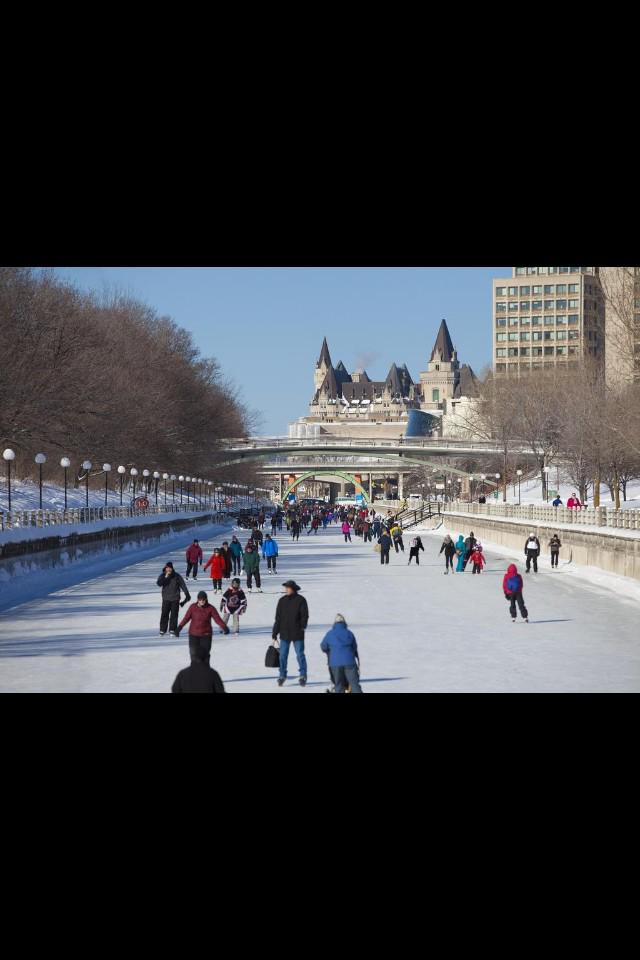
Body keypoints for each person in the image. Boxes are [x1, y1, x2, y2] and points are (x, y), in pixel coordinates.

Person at [273, 581, 309, 687]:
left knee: (300, 655)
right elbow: (278, 618)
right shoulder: (282, 601)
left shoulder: (301, 600)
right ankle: (282, 675)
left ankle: (303, 675)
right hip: (284, 633)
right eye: (286, 588)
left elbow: (305, 615)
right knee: (282, 656)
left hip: (297, 633)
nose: (286, 589)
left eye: (288, 588)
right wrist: (275, 632)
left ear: (294, 589)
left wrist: (302, 626)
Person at [178, 589, 229, 660]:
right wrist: (179, 628)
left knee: (205, 655)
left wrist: (224, 627)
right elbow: (186, 618)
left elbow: (217, 619)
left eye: (203, 599)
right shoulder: (192, 607)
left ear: (206, 599)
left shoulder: (210, 608)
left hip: (206, 635)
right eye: (200, 599)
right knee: (194, 654)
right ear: (197, 599)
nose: (202, 601)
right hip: (193, 634)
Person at [321, 614, 362, 693]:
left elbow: (323, 646)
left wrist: (329, 651)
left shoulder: (330, 634)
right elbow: (354, 647)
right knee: (354, 684)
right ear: (344, 623)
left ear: (334, 623)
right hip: (349, 662)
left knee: (339, 685)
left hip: (335, 663)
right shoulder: (349, 633)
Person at [157, 562, 191, 636]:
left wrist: (187, 594)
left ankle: (172, 629)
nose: (169, 569)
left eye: (170, 568)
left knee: (174, 615)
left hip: (175, 598)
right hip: (166, 598)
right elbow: (159, 583)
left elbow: (183, 585)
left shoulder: (177, 576)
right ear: (165, 568)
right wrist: (165, 577)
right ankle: (162, 629)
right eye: (167, 568)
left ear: (172, 568)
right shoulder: (162, 575)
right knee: (164, 614)